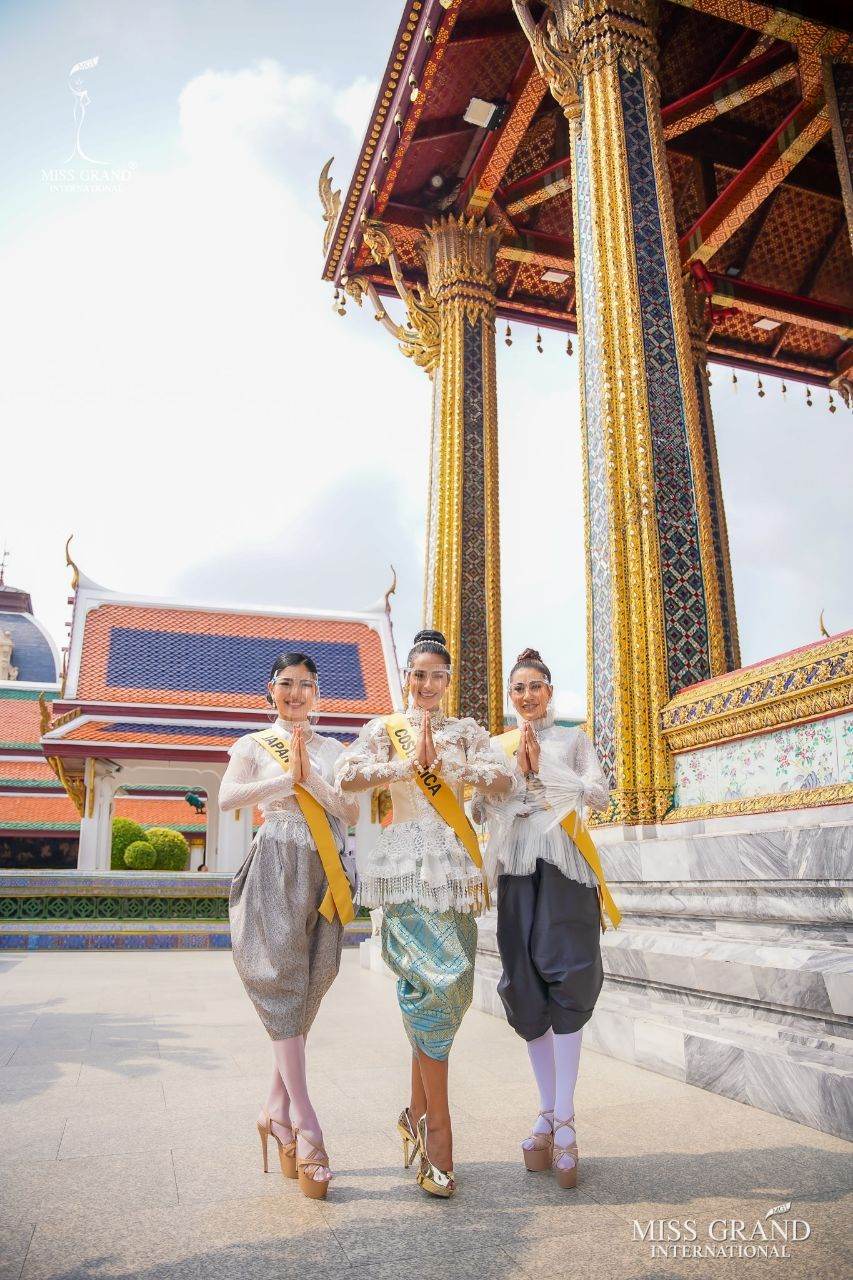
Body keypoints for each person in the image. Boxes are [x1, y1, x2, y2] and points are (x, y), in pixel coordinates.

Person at [336, 629, 514, 1198]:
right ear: (407, 677)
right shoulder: (383, 730)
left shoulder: (466, 732)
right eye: (419, 674)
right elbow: (346, 776)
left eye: (438, 675)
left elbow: (505, 780)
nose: (428, 684)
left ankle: (415, 1112)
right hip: (407, 867)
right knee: (426, 981)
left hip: (455, 866)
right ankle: (438, 1128)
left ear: (447, 680)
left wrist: (456, 768)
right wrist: (404, 766)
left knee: (454, 982)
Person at [473, 648, 620, 1189]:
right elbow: (476, 809)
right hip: (516, 870)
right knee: (525, 983)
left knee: (569, 974)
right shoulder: (497, 747)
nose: (528, 696)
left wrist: (548, 773)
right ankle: (546, 1109)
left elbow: (600, 795)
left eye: (537, 686)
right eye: (519, 688)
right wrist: (512, 777)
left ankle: (565, 1118)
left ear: (550, 691)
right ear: (510, 697)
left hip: (565, 869)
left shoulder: (573, 740)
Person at [220, 652, 358, 1200]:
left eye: (305, 685)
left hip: (324, 870)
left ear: (317, 691)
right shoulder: (253, 745)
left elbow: (347, 809)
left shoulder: (333, 750)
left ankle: (273, 1110)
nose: (295, 693)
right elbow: (229, 796)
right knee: (279, 983)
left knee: (311, 984)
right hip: (275, 860)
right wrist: (285, 777)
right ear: (270, 690)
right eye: (285, 684)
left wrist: (311, 779)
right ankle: (306, 1124)